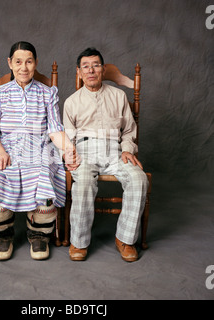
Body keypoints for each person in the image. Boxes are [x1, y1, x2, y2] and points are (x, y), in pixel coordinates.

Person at [0, 41, 79, 261]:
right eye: (18, 62)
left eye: (29, 61)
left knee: (45, 174)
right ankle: (2, 235)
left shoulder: (47, 93)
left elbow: (54, 129)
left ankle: (38, 234)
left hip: (39, 146)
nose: (24, 67)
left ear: (35, 63)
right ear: (10, 63)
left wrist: (69, 148)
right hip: (5, 146)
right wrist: (0, 152)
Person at [63, 48, 149, 262]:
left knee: (138, 179)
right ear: (79, 72)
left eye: (96, 65)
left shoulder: (119, 96)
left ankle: (125, 239)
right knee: (82, 183)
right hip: (84, 151)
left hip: (115, 151)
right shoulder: (71, 101)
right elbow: (66, 138)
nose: (91, 70)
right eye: (85, 66)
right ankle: (79, 242)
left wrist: (128, 149)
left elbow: (129, 130)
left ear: (102, 69)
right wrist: (69, 155)